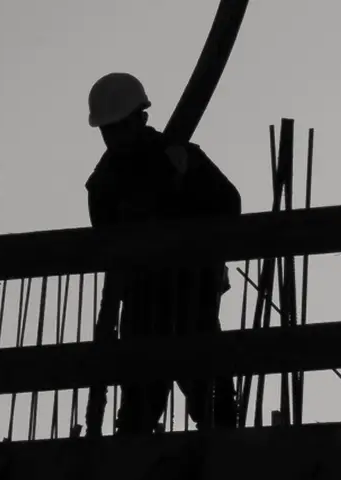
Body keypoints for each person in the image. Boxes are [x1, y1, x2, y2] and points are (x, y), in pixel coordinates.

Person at [82, 72, 242, 436]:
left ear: (141, 118)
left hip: (194, 297)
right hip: (142, 302)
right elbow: (104, 240)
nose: (115, 138)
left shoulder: (181, 155)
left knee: (216, 407)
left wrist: (185, 183)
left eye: (121, 127)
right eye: (109, 131)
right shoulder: (105, 181)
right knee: (139, 410)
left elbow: (230, 207)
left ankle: (224, 472)